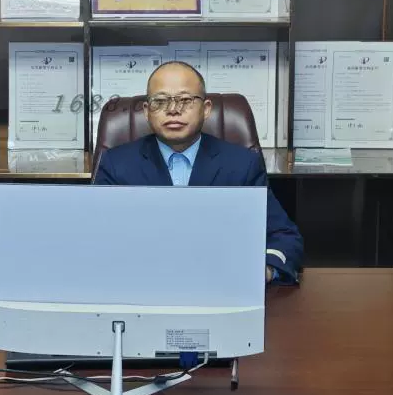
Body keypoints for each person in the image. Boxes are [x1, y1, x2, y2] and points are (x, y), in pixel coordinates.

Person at [92, 61, 303, 284]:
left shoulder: (242, 165)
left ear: (207, 108)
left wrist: (265, 271)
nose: (173, 110)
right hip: (142, 284)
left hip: (219, 284)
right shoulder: (116, 164)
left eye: (185, 100)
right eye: (160, 101)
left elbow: (284, 236)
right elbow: (94, 237)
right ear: (146, 111)